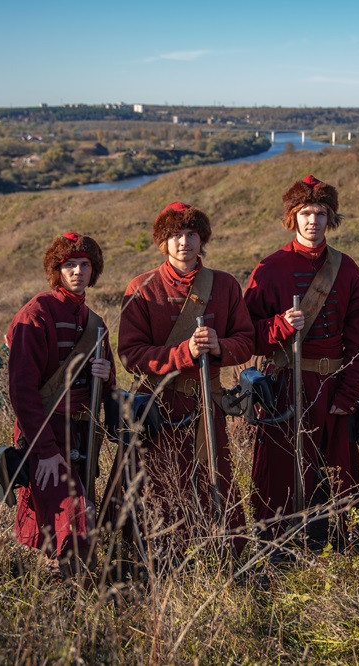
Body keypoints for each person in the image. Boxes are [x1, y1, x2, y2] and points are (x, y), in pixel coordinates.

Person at [110, 201, 253, 541]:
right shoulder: (142, 288)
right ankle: (153, 554)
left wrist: (219, 346)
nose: (184, 242)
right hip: (155, 405)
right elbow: (131, 355)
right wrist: (183, 352)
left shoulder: (225, 285)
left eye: (191, 234)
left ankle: (216, 551)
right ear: (164, 242)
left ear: (202, 239)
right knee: (154, 483)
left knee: (211, 480)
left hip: (206, 403)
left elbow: (247, 342)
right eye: (175, 235)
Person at [244, 174, 359, 547]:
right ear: (293, 218)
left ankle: (330, 541)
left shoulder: (346, 269)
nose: (313, 220)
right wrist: (280, 325)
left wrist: (350, 393)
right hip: (285, 385)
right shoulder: (269, 269)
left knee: (333, 471)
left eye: (320, 212)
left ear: (329, 217)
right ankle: (278, 545)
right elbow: (246, 333)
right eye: (305, 213)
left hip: (333, 386)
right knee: (281, 470)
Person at [6, 231, 114, 575]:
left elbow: (109, 386)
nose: (78, 272)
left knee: (81, 509)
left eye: (84, 265)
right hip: (45, 431)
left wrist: (106, 373)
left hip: (82, 431)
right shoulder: (36, 312)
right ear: (58, 269)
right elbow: (22, 392)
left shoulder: (94, 322)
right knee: (68, 513)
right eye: (70, 265)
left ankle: (76, 585)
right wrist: (46, 450)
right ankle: (69, 586)